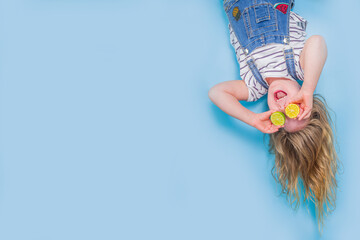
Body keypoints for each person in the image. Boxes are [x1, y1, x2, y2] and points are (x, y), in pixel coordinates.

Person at [208, 0, 340, 232]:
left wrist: (250, 118)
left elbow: (216, 92)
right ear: (305, 102)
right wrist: (307, 88)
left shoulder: (254, 86)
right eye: (293, 110)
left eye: (280, 119)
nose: (282, 107)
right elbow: (318, 43)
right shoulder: (299, 68)